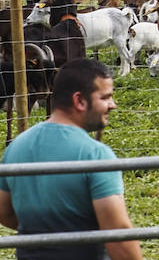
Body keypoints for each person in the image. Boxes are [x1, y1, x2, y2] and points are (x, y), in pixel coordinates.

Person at [0, 59, 143, 260]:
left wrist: (45, 233)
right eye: (106, 97)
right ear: (80, 101)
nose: (113, 105)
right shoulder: (95, 155)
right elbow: (118, 235)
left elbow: (4, 212)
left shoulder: (16, 147)